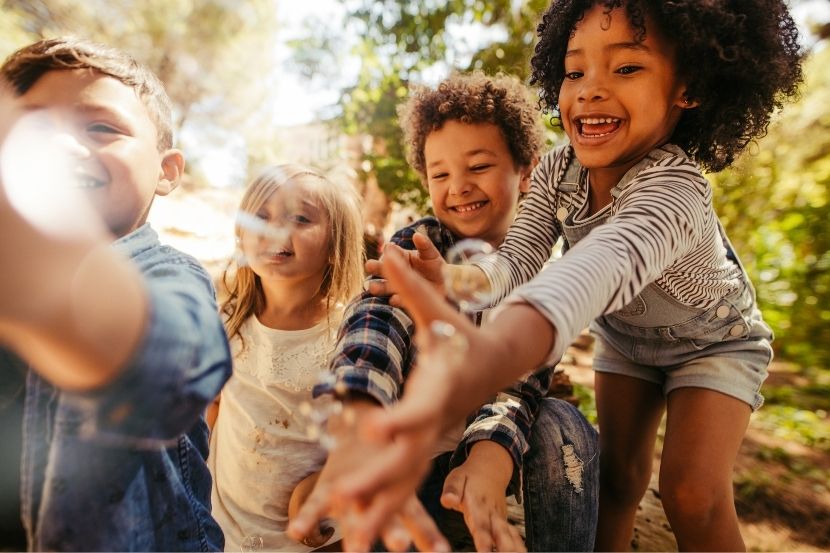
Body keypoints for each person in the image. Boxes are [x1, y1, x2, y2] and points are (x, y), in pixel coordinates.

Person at [313, 1, 804, 551]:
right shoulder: (557, 169)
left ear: (687, 87)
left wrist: (498, 348)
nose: (590, 90)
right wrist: (453, 282)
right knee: (617, 482)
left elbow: (598, 268)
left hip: (714, 343)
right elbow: (518, 262)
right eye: (575, 71)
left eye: (626, 68)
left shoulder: (676, 191)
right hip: (628, 343)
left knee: (692, 492)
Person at [289, 72, 599, 552]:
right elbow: (375, 327)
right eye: (440, 174)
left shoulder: (542, 273)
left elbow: (520, 383)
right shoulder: (419, 245)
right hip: (411, 451)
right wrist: (360, 416)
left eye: (478, 167)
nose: (458, 187)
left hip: (495, 448)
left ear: (526, 171)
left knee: (566, 425)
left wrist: (488, 458)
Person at [0, 38, 232, 551]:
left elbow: (178, 371)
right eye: (33, 128)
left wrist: (51, 286)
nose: (59, 146)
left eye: (100, 127)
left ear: (167, 171)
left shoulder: (170, 273)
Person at [207, 164, 365, 551]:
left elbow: (369, 430)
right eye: (261, 216)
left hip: (318, 533)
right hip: (227, 527)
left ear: (335, 245)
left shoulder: (352, 331)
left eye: (300, 217)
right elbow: (214, 408)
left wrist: (328, 481)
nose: (276, 228)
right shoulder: (227, 321)